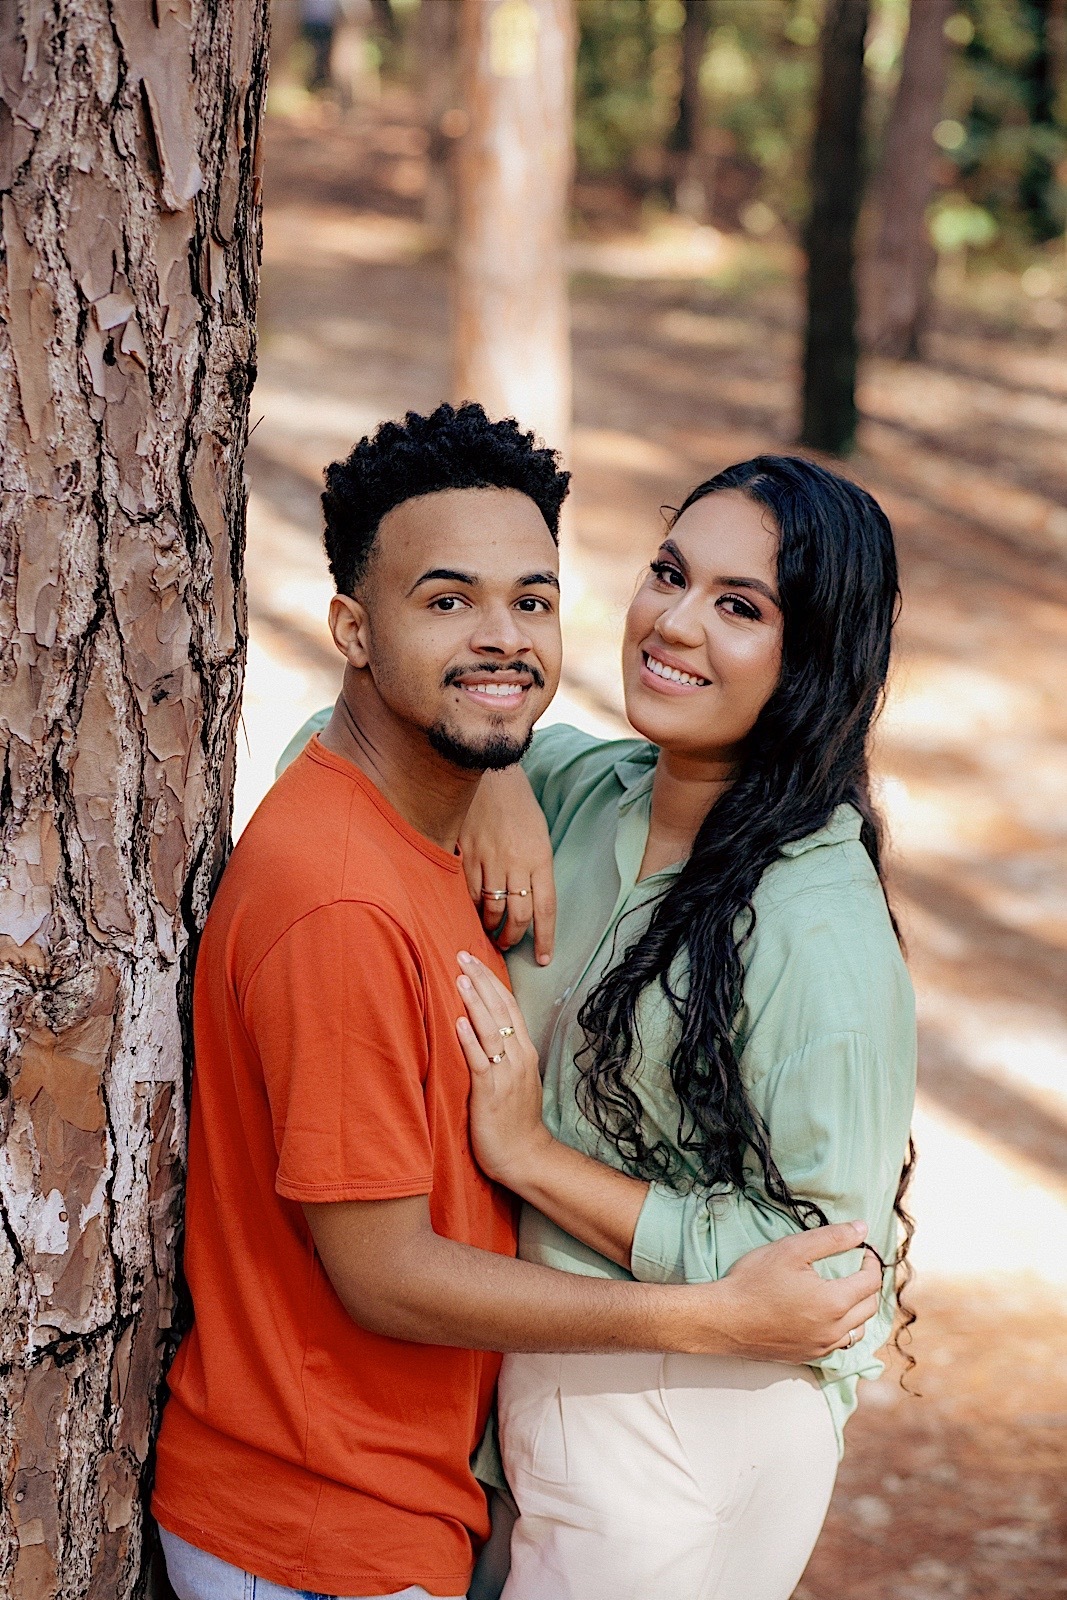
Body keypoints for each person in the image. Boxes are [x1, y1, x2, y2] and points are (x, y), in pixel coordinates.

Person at [152, 409, 882, 1600]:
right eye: (445, 603)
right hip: (316, 1522)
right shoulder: (344, 898)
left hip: (398, 1500)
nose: (499, 639)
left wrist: (493, 780)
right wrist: (702, 1317)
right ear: (351, 627)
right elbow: (381, 1273)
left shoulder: (450, 822)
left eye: (530, 602)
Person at [450, 455, 919, 1600]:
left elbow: (825, 1275)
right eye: (670, 572)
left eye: (738, 606)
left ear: (807, 659)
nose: (674, 621)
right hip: (531, 1406)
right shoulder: (590, 791)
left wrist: (530, 1160)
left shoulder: (816, 929)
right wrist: (493, 766)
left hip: (688, 1439)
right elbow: (332, 734)